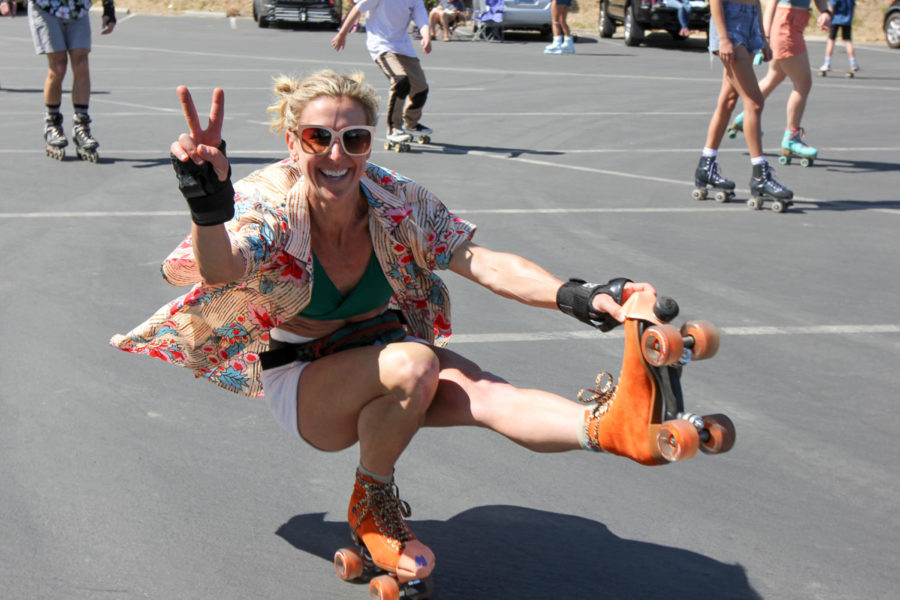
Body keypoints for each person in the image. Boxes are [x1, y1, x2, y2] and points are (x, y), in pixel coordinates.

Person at [111, 70, 693, 586]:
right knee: (418, 362)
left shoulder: (397, 200)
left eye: (354, 139)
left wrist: (578, 295)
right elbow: (223, 270)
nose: (336, 155)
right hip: (309, 383)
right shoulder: (267, 203)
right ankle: (374, 501)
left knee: (486, 392)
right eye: (319, 138)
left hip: (386, 354)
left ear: (370, 144)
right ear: (293, 142)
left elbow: (479, 260)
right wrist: (208, 209)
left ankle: (617, 430)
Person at [694, 0, 793, 206]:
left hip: (749, 21)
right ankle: (760, 175)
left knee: (729, 100)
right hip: (729, 24)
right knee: (754, 103)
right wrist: (723, 38)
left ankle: (706, 166)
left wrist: (762, 37)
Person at [728, 0, 832, 166]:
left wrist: (826, 12)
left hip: (792, 24)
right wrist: (765, 38)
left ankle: (745, 116)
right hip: (786, 26)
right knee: (803, 84)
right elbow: (771, 5)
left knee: (775, 75)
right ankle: (791, 139)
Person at [332, 0, 432, 146]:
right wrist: (342, 34)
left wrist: (426, 36)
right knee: (400, 80)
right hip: (381, 45)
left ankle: (411, 123)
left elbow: (422, 20)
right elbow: (357, 9)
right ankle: (393, 129)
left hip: (403, 47)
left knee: (421, 87)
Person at [27, 0, 116, 161]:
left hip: (77, 8)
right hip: (46, 8)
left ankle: (81, 126)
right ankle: (52, 124)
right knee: (58, 65)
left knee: (81, 63)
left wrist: (108, 8)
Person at [818, 0, 858, 74]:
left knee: (831, 40)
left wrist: (828, 17)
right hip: (847, 20)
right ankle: (853, 63)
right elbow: (853, 7)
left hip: (835, 20)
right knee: (848, 41)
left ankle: (827, 63)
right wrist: (850, 19)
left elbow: (832, 7)